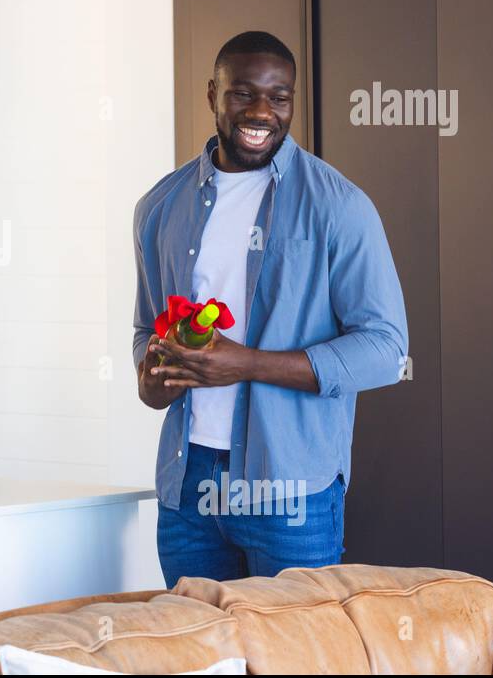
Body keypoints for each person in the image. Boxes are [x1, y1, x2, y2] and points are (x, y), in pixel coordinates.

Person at [133, 30, 408, 587]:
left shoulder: (340, 206)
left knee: (297, 659)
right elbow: (146, 329)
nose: (261, 112)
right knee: (201, 664)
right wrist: (154, 377)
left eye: (278, 97)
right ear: (213, 94)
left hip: (291, 493)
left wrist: (248, 364)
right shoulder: (160, 205)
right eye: (243, 94)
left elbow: (386, 349)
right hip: (189, 488)